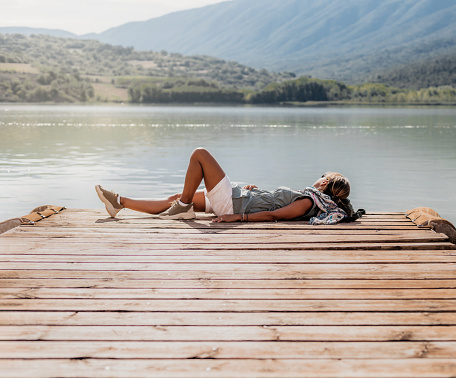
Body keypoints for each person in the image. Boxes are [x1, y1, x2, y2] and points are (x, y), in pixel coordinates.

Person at [95, 147, 354, 224]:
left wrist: (237, 217)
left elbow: (275, 215)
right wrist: (256, 191)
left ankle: (184, 206)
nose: (319, 177)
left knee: (200, 154)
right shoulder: (308, 196)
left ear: (325, 184)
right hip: (239, 196)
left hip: (232, 203)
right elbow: (274, 202)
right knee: (175, 196)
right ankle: (119, 203)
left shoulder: (309, 202)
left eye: (324, 176)